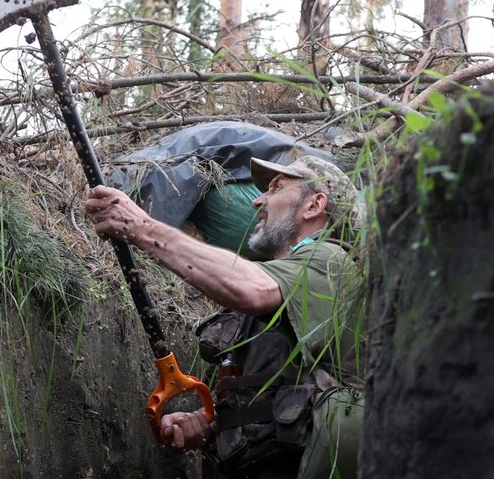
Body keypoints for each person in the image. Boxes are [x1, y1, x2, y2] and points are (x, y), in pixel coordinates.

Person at [85, 154, 365, 479]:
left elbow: (252, 288)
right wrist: (208, 424)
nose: (258, 201)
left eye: (276, 187)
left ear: (314, 205)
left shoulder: (330, 261)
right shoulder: (274, 282)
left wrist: (143, 228)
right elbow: (276, 396)